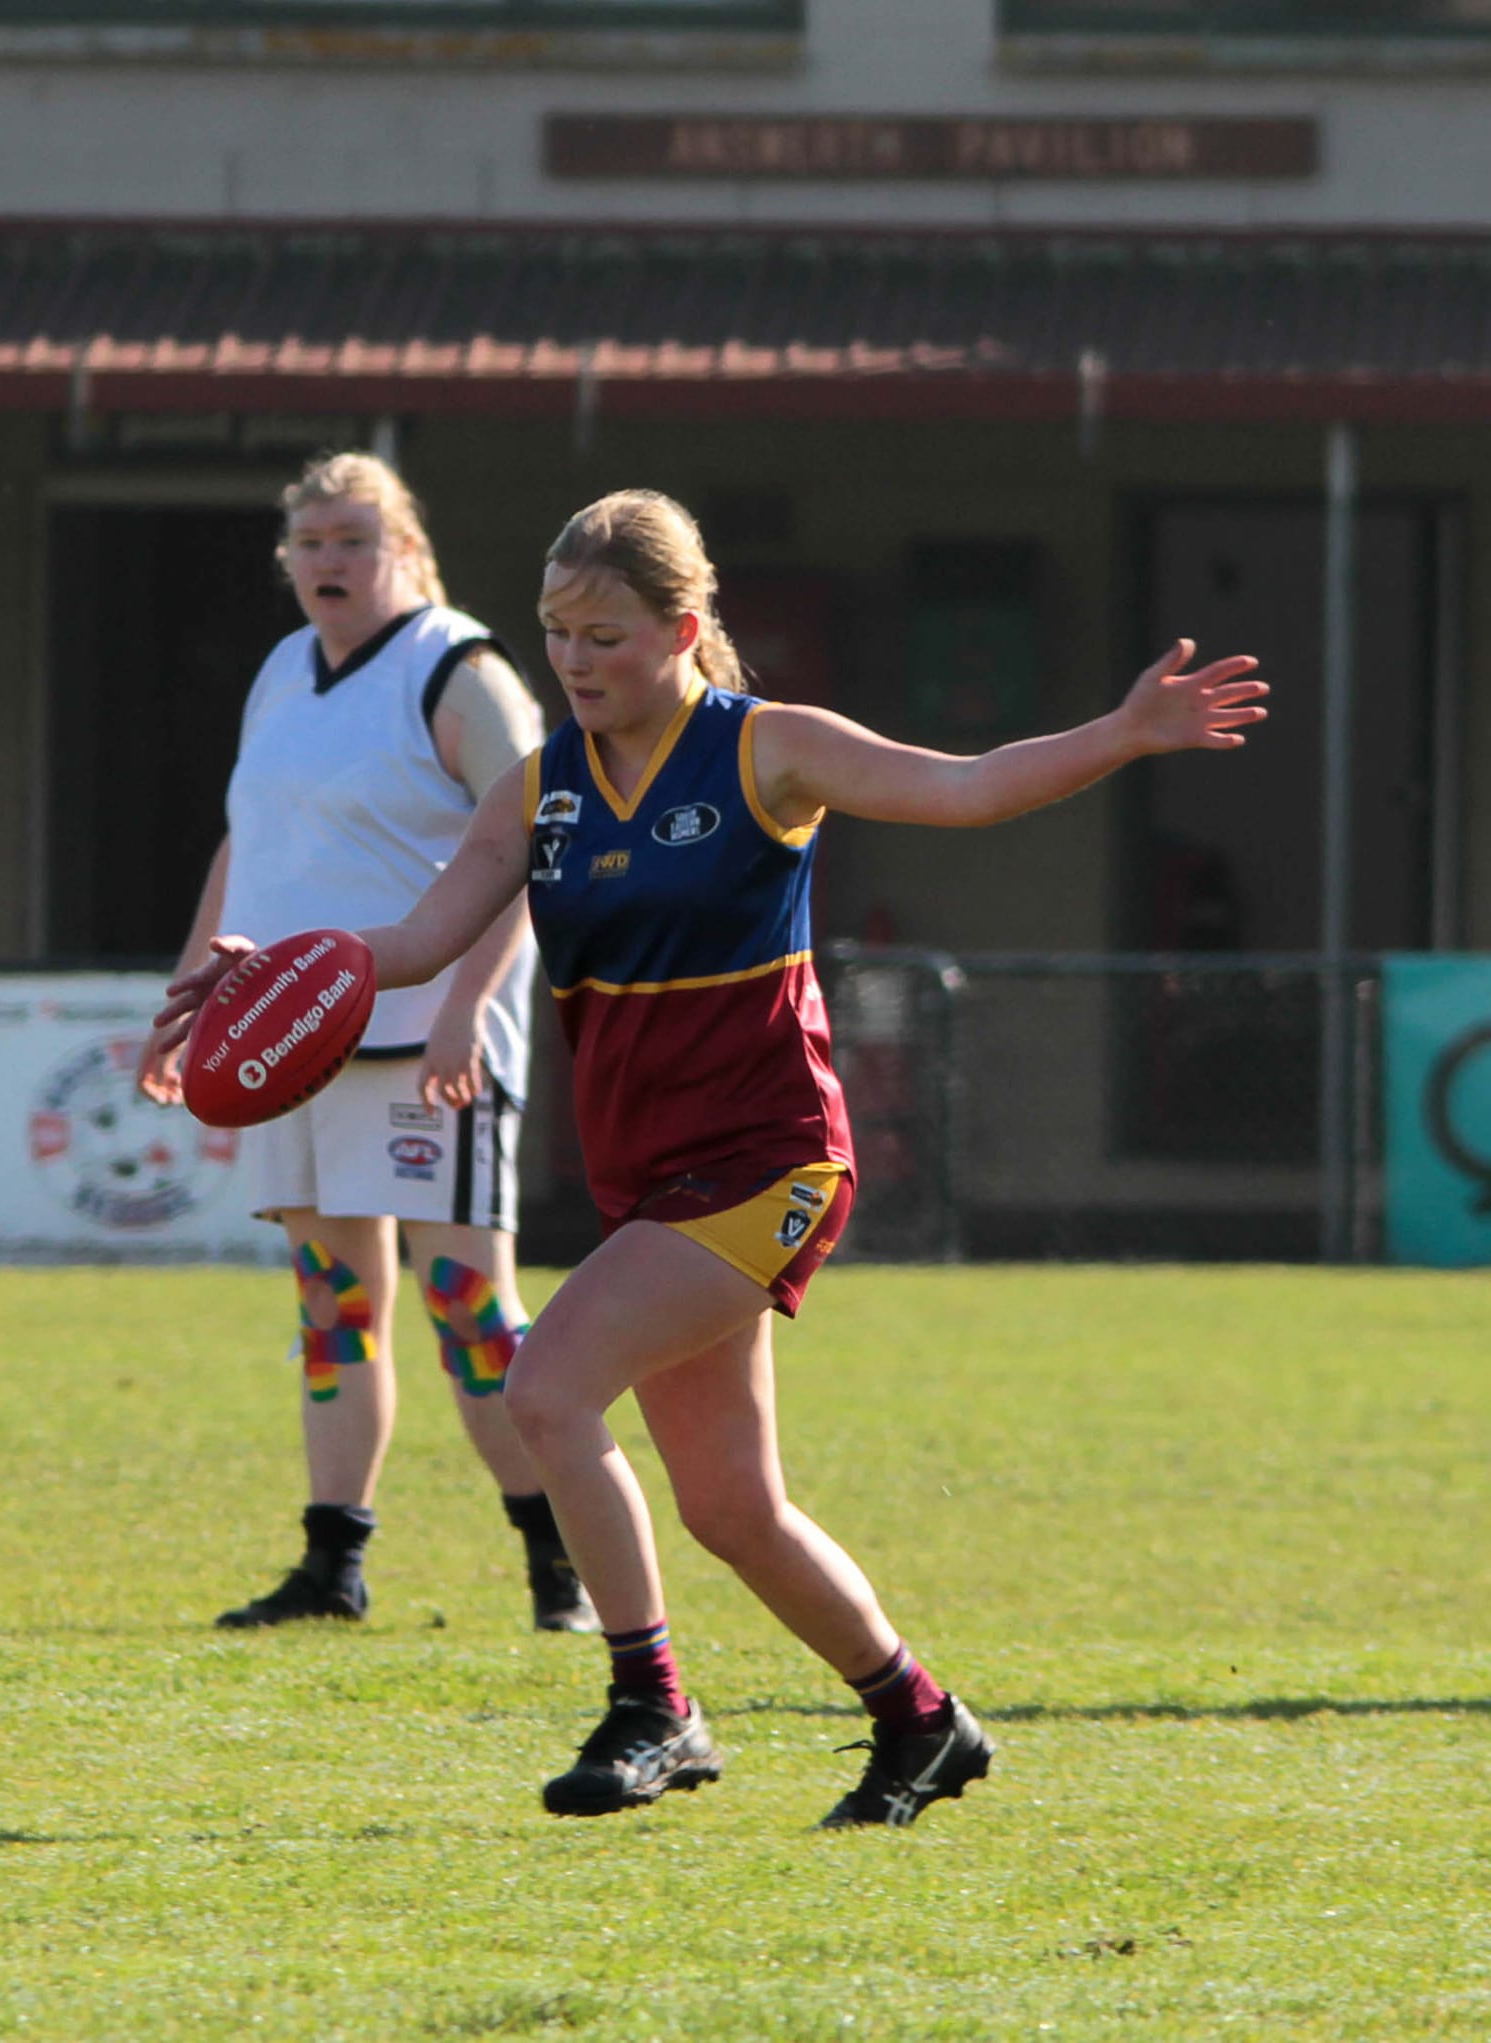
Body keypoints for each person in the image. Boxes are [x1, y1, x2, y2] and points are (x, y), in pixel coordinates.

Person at [150, 489, 1266, 1826]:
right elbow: (415, 936)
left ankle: (654, 1702)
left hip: (769, 1159)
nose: (573, 658)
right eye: (558, 630)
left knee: (547, 1386)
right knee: (734, 1506)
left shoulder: (766, 749)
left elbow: (963, 790)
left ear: (684, 628)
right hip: (650, 1178)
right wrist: (258, 966)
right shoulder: (541, 783)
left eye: (604, 633)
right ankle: (921, 1717)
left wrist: (1126, 733)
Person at [138, 451, 597, 1637]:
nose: (327, 562)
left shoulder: (461, 671)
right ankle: (331, 1566)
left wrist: (464, 1009)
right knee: (332, 1305)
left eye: (351, 538)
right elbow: (246, 847)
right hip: (287, 1037)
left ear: (404, 545)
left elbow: (542, 850)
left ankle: (563, 1563)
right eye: (308, 542)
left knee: (465, 1307)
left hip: (425, 1044)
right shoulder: (282, 673)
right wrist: (192, 1002)